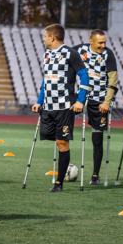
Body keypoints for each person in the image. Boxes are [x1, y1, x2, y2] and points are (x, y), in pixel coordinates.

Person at [32, 24, 90, 192]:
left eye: (45, 35)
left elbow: (84, 76)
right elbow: (46, 79)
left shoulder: (71, 53)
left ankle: (59, 184)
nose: (43, 38)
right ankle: (62, 174)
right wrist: (39, 101)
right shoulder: (47, 54)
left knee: (62, 142)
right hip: (48, 107)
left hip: (64, 107)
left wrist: (80, 101)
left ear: (53, 37)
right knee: (55, 141)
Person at [73, 29, 119, 185]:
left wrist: (107, 102)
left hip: (99, 100)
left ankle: (95, 175)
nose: (103, 45)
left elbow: (113, 80)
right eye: (100, 42)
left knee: (97, 139)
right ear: (91, 41)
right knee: (63, 127)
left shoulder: (108, 54)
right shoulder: (79, 49)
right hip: (80, 96)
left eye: (105, 42)